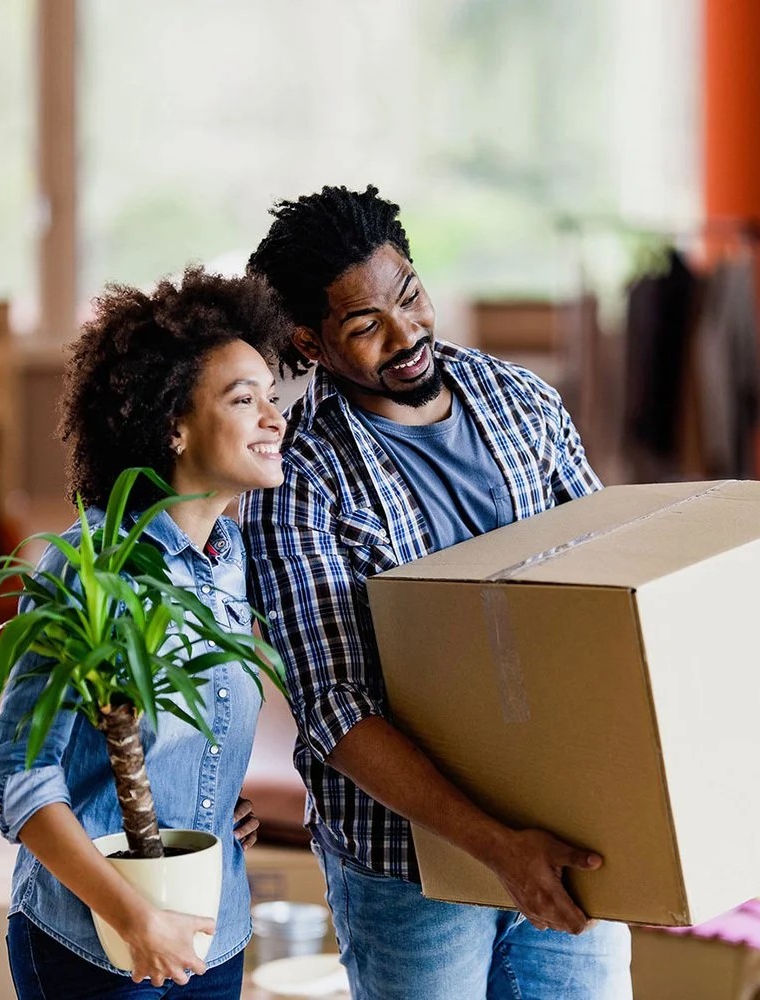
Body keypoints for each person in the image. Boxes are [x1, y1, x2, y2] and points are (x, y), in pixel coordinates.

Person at [243, 186, 632, 998]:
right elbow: (336, 711)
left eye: (410, 296)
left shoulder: (522, 403)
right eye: (365, 325)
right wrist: (496, 846)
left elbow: (612, 594)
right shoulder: (299, 482)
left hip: (569, 827)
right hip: (406, 865)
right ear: (308, 343)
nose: (407, 334)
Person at [0, 267, 291, 998]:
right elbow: (20, 783)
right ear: (173, 426)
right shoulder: (86, 571)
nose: (273, 419)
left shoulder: (231, 559)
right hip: (96, 943)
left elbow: (191, 728)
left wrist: (209, 808)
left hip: (212, 930)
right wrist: (136, 917)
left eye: (272, 399)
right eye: (243, 400)